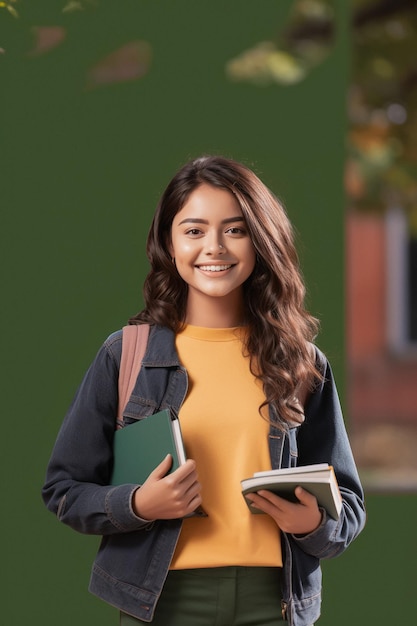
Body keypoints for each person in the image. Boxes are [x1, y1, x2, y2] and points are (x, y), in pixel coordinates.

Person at [42, 155, 365, 626]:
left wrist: (313, 523)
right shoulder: (124, 355)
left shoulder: (302, 362)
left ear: (261, 241)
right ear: (168, 243)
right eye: (194, 230)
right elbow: (63, 489)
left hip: (274, 602)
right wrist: (137, 505)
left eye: (235, 230)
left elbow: (350, 507)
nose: (214, 247)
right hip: (160, 600)